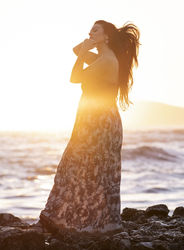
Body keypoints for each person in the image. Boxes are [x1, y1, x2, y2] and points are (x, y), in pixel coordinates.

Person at [39, 20, 141, 237]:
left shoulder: (106, 60)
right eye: (90, 29)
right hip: (92, 121)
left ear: (106, 36)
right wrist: (89, 45)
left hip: (101, 124)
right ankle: (80, 221)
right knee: (79, 168)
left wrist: (87, 49)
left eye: (96, 29)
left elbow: (74, 77)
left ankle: (95, 225)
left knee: (92, 172)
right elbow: (76, 50)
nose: (90, 32)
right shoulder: (101, 57)